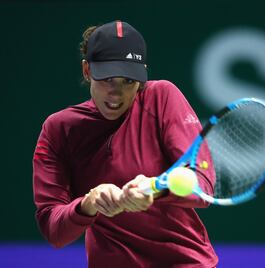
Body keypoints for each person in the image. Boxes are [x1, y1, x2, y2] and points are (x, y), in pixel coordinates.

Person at [33, 20, 218, 267]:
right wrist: (88, 203)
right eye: (107, 79)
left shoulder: (162, 97)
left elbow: (202, 185)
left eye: (128, 81)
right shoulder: (59, 129)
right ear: (87, 71)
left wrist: (154, 188)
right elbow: (54, 230)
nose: (116, 93)